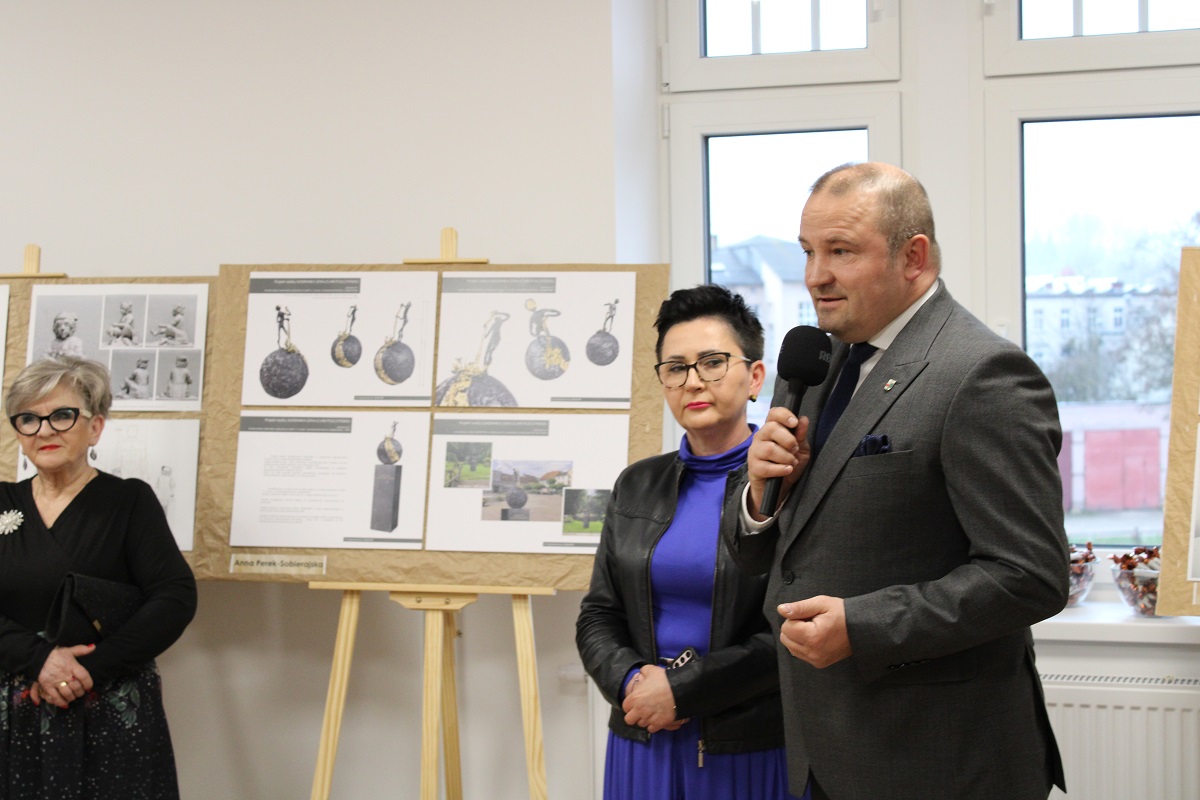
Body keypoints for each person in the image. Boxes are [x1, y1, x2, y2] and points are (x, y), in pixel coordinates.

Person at [725, 162, 1068, 800]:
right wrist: (758, 497)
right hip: (823, 748)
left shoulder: (983, 374)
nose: (815, 275)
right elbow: (765, 556)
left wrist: (863, 625)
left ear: (913, 257)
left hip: (939, 760)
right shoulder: (817, 363)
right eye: (808, 251)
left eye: (841, 251)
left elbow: (1030, 576)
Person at [578, 284, 800, 800]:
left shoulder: (792, 486)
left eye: (712, 362)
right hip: (645, 735)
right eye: (676, 368)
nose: (693, 381)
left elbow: (790, 632)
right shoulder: (637, 484)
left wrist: (682, 690)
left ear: (755, 377)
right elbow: (598, 614)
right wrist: (632, 682)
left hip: (747, 744)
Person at [0, 356, 197, 798]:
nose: (44, 431)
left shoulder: (129, 501)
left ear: (95, 427)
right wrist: (38, 659)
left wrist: (88, 671)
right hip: (13, 708)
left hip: (107, 705)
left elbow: (175, 596)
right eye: (28, 419)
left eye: (61, 415)